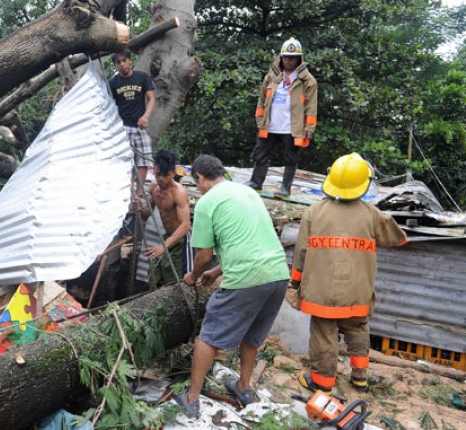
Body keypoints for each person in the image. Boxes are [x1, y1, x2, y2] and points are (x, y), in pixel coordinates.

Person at [173, 154, 289, 417]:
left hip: (246, 279)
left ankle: (191, 398)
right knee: (252, 336)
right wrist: (215, 272)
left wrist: (193, 275)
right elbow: (248, 241)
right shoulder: (247, 192)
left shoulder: (206, 203)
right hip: (278, 274)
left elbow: (203, 254)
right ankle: (244, 387)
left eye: (197, 181)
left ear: (200, 177)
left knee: (209, 337)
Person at [291, 153, 408, 394]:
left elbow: (300, 253)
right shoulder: (373, 215)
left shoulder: (313, 212)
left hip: (321, 293)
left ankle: (322, 383)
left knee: (324, 335)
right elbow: (398, 239)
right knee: (358, 330)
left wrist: (296, 283)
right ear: (363, 184)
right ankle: (360, 378)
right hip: (357, 292)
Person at [248, 37, 318, 197]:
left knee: (290, 157)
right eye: (285, 57)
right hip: (269, 124)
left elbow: (311, 107)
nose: (288, 60)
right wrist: (259, 121)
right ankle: (255, 183)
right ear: (281, 57)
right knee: (260, 154)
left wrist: (309, 128)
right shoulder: (271, 77)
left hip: (291, 126)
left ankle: (285, 189)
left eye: (292, 57)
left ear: (298, 59)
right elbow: (261, 100)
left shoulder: (308, 81)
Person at [136, 149, 191, 288]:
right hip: (166, 237)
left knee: (174, 281)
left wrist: (164, 246)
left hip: (179, 241)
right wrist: (140, 207)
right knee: (153, 275)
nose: (161, 179)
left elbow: (185, 225)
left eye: (165, 175)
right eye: (158, 174)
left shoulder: (178, 193)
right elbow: (146, 213)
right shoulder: (154, 188)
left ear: (173, 173)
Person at [109, 49, 156, 196]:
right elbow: (109, 104)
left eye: (124, 61)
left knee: (143, 161)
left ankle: (140, 192)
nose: (122, 65)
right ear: (115, 65)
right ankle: (129, 194)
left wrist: (146, 116)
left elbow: (151, 98)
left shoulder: (142, 77)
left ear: (130, 60)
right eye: (118, 62)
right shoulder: (113, 82)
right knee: (125, 161)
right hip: (123, 127)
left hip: (141, 126)